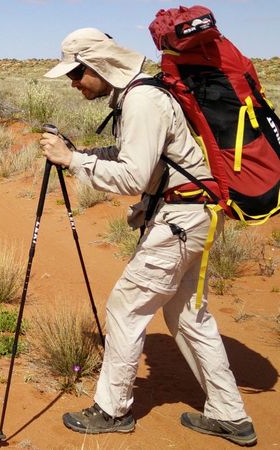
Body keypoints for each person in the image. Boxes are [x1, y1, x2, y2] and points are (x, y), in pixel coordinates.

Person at [39, 28, 257, 447]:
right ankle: (230, 415)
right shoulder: (138, 96)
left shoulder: (141, 101)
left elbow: (132, 176)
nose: (73, 82)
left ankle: (112, 410)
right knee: (189, 315)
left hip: (180, 219)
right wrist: (80, 155)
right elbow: (139, 160)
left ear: (100, 65)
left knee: (126, 305)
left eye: (77, 72)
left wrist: (72, 162)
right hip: (193, 214)